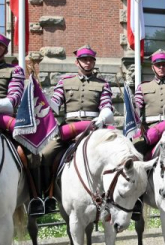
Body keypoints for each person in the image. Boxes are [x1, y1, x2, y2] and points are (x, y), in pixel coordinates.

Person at [39, 45, 114, 207]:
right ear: (76, 62)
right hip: (69, 128)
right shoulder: (64, 82)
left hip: (94, 128)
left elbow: (107, 107)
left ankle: (116, 196)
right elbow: (55, 105)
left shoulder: (103, 84)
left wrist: (101, 119)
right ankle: (46, 196)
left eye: (90, 60)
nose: (87, 63)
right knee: (45, 155)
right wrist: (42, 98)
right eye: (83, 60)